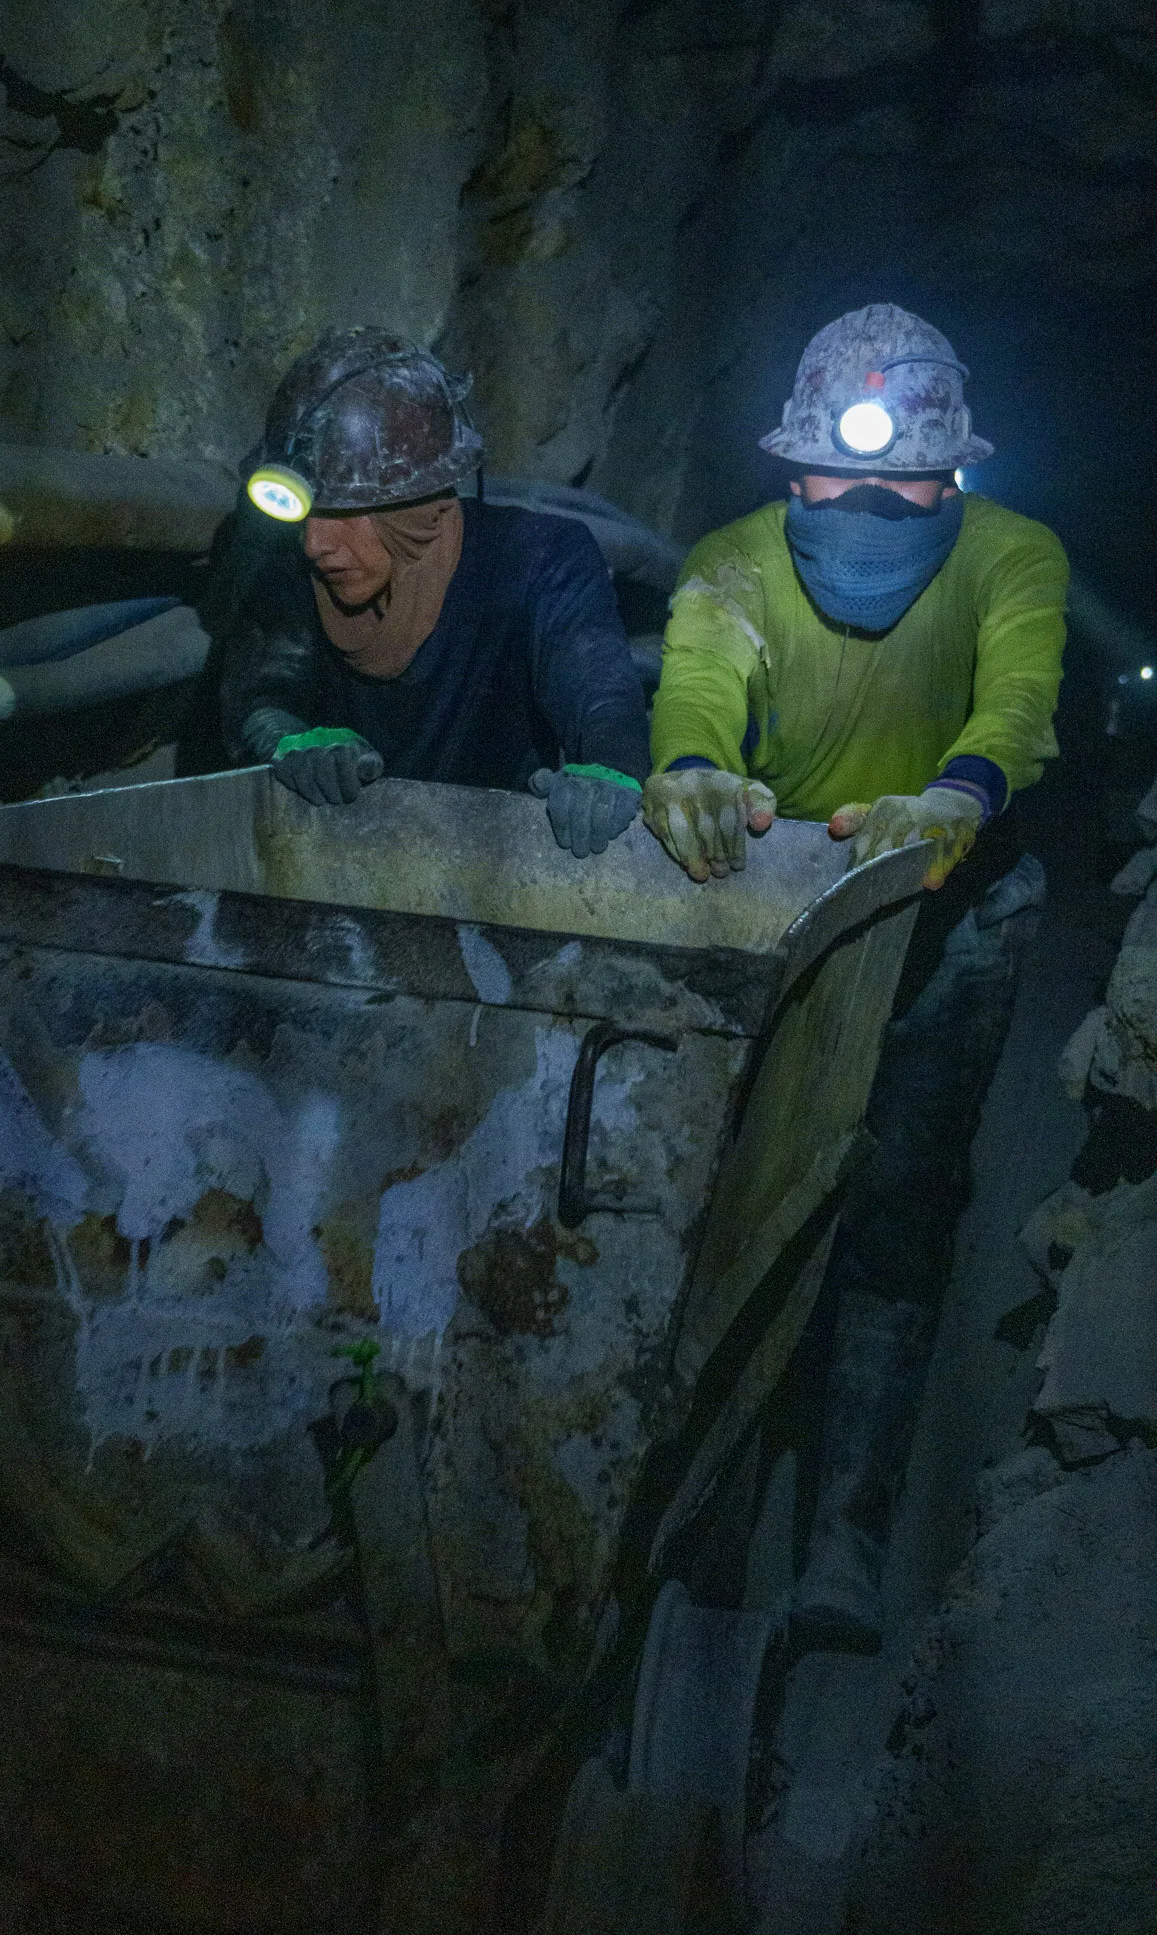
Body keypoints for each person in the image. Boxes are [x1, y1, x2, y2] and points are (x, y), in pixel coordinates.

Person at [644, 303, 1069, 1650]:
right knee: (739, 1188)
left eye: (908, 478)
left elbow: (1018, 702)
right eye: (842, 474)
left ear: (956, 479)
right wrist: (697, 767)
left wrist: (954, 798)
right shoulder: (735, 563)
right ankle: (700, 1508)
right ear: (790, 472)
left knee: (893, 1201)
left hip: (956, 910)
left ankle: (846, 1535)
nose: (875, 501)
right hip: (789, 911)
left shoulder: (1013, 556)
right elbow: (700, 683)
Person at [213, 327, 651, 857]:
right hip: (336, 859)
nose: (314, 543)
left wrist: (610, 770)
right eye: (306, 512)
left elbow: (599, 694)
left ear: (412, 510)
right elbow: (263, 686)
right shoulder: (288, 564)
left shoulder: (535, 559)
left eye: (345, 513)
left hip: (496, 866)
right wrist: (285, 739)